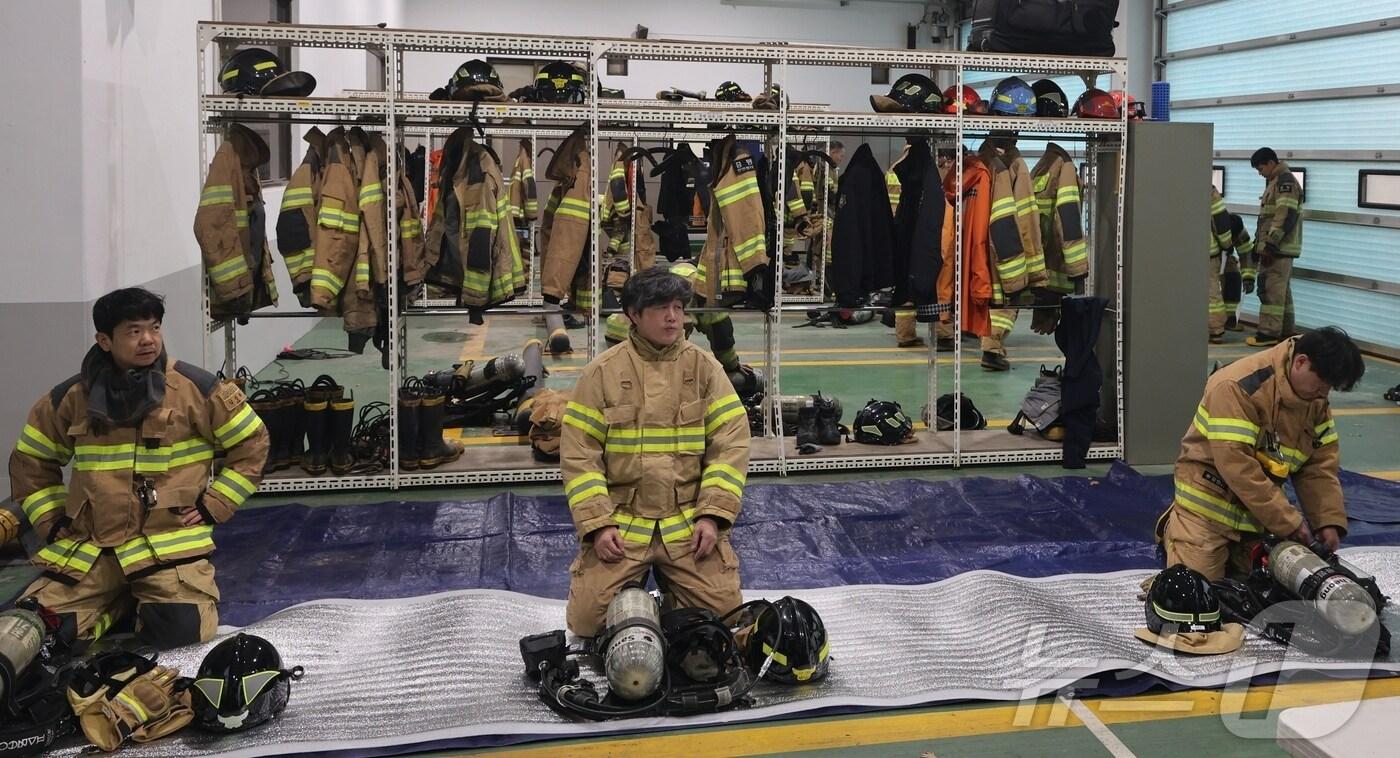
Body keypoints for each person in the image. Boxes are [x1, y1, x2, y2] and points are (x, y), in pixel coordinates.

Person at [10, 288, 269, 647]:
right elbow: (32, 462)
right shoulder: (70, 398)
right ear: (104, 340)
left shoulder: (196, 388)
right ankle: (116, 608)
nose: (148, 340)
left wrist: (215, 503)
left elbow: (252, 442)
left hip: (165, 545)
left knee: (181, 633)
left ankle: (129, 607)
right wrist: (50, 522)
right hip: (91, 547)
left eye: (155, 328)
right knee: (34, 631)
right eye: (134, 331)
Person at [560, 267, 750, 637]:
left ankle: (672, 600)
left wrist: (712, 516)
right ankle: (638, 599)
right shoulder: (601, 374)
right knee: (586, 624)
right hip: (622, 528)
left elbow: (731, 446)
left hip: (689, 527)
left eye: (679, 307)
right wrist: (599, 525)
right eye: (661, 308)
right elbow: (579, 456)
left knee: (725, 621)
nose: (673, 317)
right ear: (633, 314)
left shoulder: (705, 368)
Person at [1155, 327, 1364, 580]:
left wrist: (1327, 521)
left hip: (1258, 515)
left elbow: (1318, 466)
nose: (1324, 394)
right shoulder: (1236, 386)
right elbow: (1238, 467)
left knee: (1277, 586)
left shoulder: (1314, 399)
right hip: (1209, 509)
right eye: (1322, 384)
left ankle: (1233, 549)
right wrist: (1289, 522)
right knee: (1202, 592)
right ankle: (1176, 527)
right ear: (1300, 362)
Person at [1247, 147, 1303, 347]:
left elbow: (1284, 215)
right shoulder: (1276, 182)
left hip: (1278, 249)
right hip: (1280, 248)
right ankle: (1286, 332)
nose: (1260, 172)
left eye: (1260, 168)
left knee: (1271, 290)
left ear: (1271, 163)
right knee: (1282, 293)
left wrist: (1270, 245)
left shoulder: (1284, 182)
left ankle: (1268, 333)